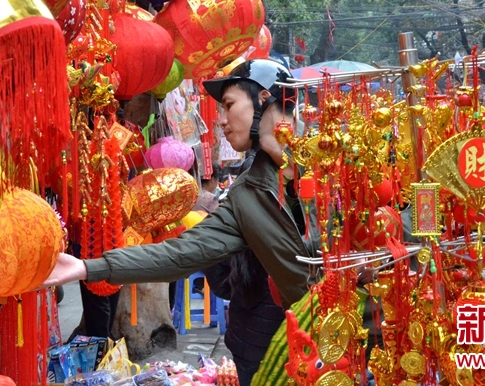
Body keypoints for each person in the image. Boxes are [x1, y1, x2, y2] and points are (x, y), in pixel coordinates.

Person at [43, 60, 326, 336]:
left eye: (229, 105)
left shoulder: (334, 162)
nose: (222, 121)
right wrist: (86, 267)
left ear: (264, 98)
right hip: (304, 343)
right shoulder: (246, 195)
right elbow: (181, 253)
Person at [204, 251, 285, 386]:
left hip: (248, 340)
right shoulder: (312, 234)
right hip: (298, 336)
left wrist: (241, 289)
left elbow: (217, 275)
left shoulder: (245, 232)